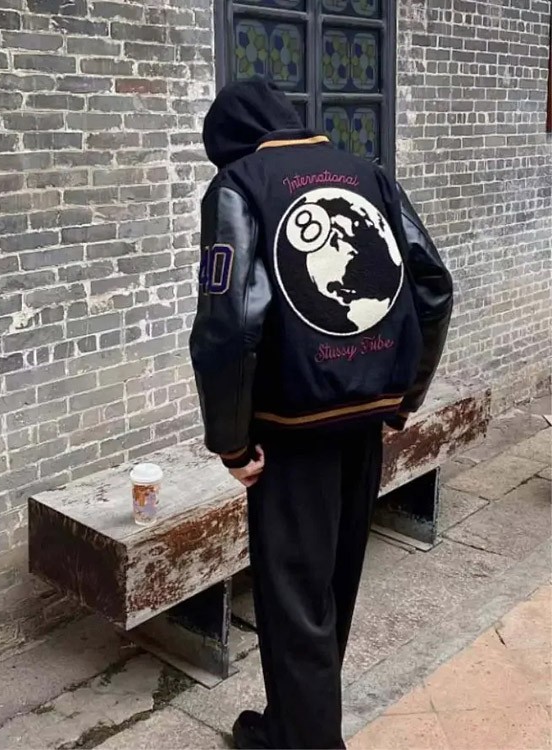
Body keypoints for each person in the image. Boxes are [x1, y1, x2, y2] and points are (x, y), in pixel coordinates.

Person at [190, 80, 453, 750]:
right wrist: (407, 395)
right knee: (334, 583)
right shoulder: (369, 173)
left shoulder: (238, 185)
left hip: (291, 432)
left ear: (230, 144)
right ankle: (293, 726)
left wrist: (231, 442)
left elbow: (230, 325)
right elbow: (433, 286)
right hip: (366, 418)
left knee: (294, 599)